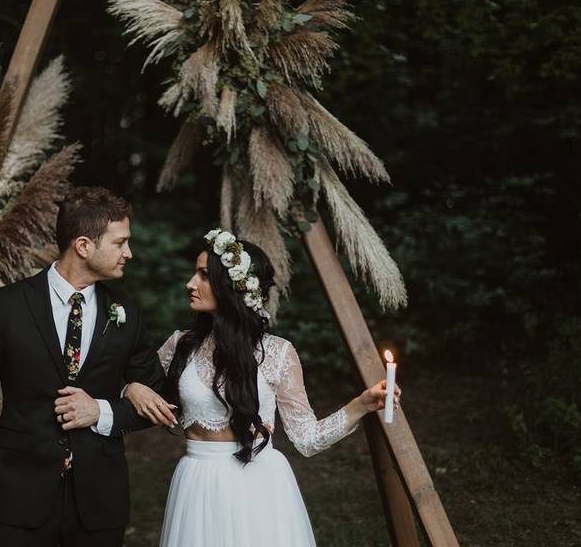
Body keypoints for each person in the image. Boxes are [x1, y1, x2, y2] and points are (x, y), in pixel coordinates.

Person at [0, 186, 175, 547]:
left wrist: (102, 411)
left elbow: (160, 400)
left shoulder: (127, 313)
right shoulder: (7, 306)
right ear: (83, 246)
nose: (129, 253)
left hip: (99, 502)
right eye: (120, 242)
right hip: (21, 499)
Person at [123, 228, 402, 547]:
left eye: (203, 275)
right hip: (195, 481)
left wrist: (362, 405)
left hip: (257, 483)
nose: (190, 283)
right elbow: (142, 394)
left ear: (231, 287)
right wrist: (130, 387)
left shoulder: (278, 353)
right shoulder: (180, 345)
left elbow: (307, 439)